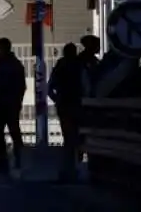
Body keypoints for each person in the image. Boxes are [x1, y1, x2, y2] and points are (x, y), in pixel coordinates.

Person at [0, 37, 26, 174]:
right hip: (9, 105)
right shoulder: (15, 64)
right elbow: (22, 87)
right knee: (13, 133)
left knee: (3, 134)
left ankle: (5, 162)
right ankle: (18, 161)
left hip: (4, 105)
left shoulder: (2, 64)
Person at [48, 42, 83, 181]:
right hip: (77, 104)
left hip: (65, 105)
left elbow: (50, 86)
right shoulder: (79, 65)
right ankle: (75, 166)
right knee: (77, 137)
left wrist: (57, 99)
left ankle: (69, 168)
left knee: (68, 138)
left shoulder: (61, 65)